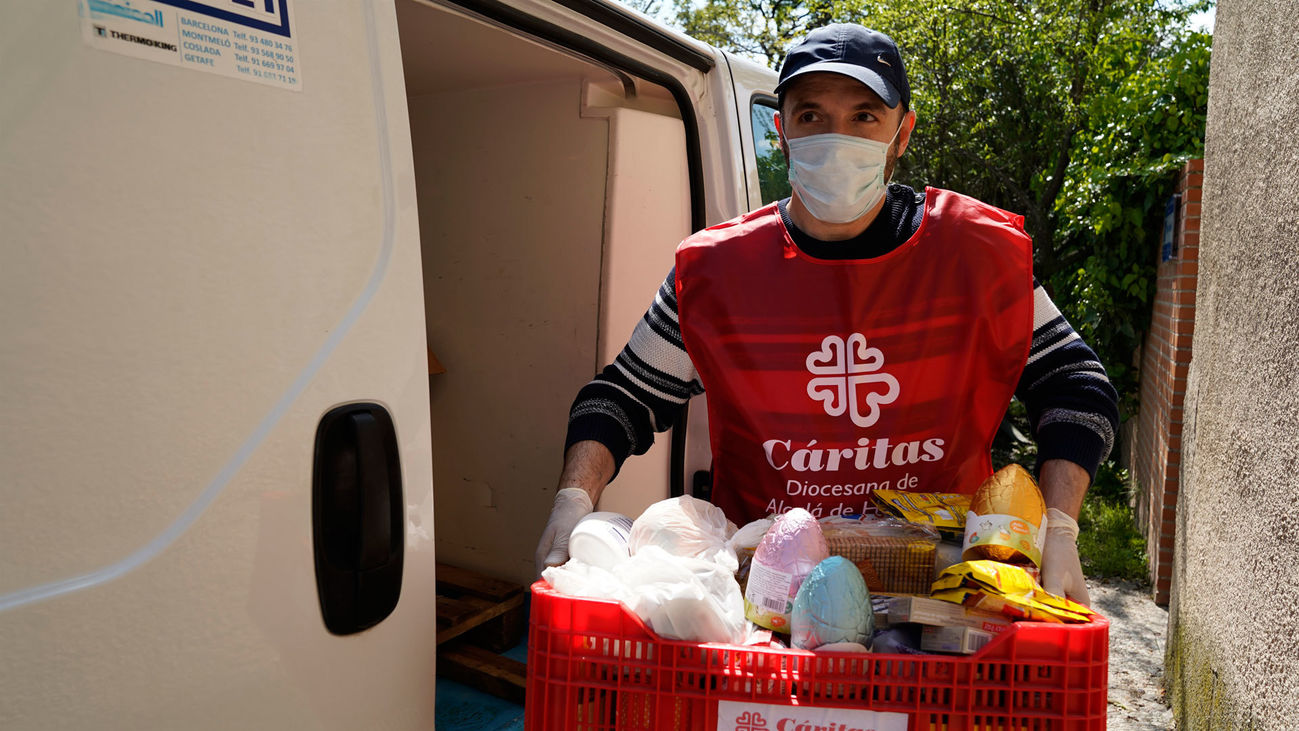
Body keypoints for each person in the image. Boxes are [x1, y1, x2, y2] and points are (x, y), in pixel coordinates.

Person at [535, 23, 1117, 606]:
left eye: (864, 116)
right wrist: (574, 502)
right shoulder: (720, 272)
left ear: (902, 132)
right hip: (766, 596)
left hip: (943, 592)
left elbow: (1076, 385)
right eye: (811, 115)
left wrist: (1060, 527)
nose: (836, 138)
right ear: (781, 132)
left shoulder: (975, 256)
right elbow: (620, 398)